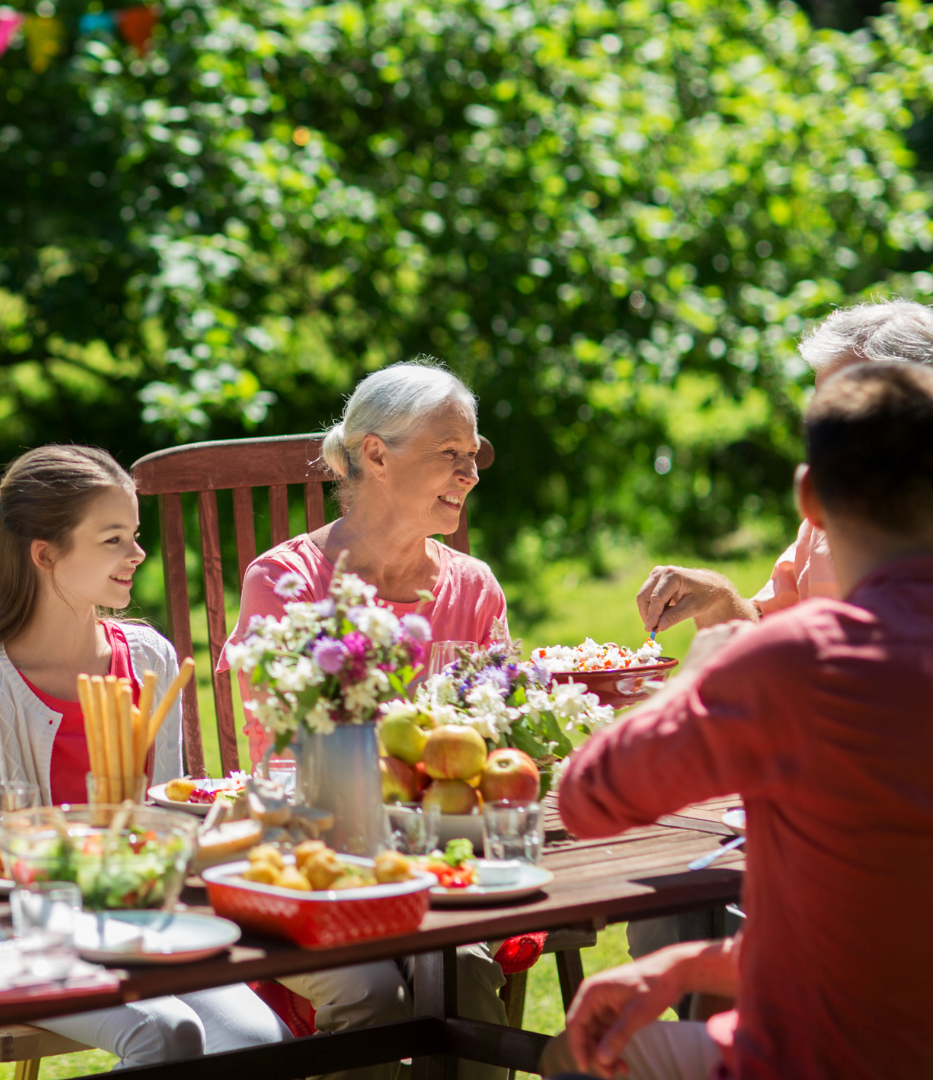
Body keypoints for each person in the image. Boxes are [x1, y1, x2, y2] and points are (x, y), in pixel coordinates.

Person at [543, 362, 933, 1080]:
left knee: (574, 1052)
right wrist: (688, 964)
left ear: (808, 497)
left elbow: (585, 799)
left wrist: (688, 685)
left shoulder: (796, 661)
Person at [0, 445, 290, 1067]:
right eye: (112, 539)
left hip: (141, 923)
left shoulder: (149, 660)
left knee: (258, 1039)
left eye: (134, 535)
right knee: (165, 1032)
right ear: (45, 554)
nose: (137, 554)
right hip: (27, 937)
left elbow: (169, 819)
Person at [218, 362, 510, 1080]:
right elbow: (280, 748)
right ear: (375, 454)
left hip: (440, 856)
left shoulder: (472, 587)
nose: (469, 473)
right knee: (375, 994)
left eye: (473, 456)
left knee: (465, 966)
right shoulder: (286, 581)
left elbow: (500, 739)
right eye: (450, 454)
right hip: (322, 859)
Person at [634, 299, 933, 633]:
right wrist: (718, 597)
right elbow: (766, 635)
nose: (831, 434)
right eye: (826, 411)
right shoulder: (821, 528)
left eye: (856, 414)